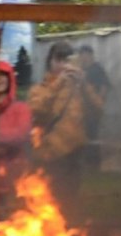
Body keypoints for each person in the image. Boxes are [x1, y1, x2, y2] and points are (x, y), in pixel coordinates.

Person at [28, 41, 90, 221]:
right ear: (50, 62)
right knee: (49, 204)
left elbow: (99, 109)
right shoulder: (40, 88)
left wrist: (85, 84)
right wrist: (59, 83)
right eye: (59, 60)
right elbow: (36, 109)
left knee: (71, 205)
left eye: (67, 60)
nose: (63, 65)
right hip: (51, 154)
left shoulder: (79, 89)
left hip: (75, 154)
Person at [0, 59, 33, 216]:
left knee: (15, 227)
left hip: (14, 183)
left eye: (3, 75)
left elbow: (21, 135)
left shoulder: (21, 109)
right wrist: (6, 140)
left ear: (10, 80)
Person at [73, 43, 111, 173]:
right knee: (82, 137)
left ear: (90, 55)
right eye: (81, 55)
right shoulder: (80, 71)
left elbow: (104, 87)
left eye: (85, 55)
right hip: (80, 110)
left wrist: (98, 103)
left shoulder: (97, 69)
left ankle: (95, 164)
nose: (83, 58)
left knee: (93, 136)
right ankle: (84, 163)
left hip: (93, 110)